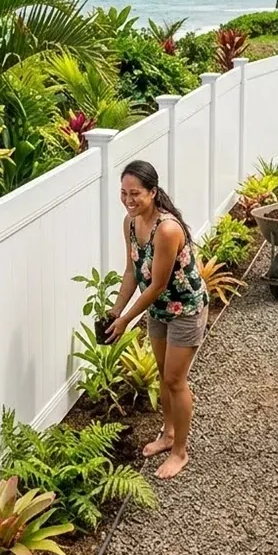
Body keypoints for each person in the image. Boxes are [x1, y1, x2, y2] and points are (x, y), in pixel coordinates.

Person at [106, 160, 209, 479]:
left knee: (175, 380)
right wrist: (115, 310)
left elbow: (158, 284)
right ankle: (167, 434)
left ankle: (180, 451)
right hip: (159, 308)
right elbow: (131, 272)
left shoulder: (167, 229)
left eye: (135, 193)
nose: (128, 199)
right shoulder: (131, 222)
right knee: (164, 376)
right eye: (123, 193)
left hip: (186, 308)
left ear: (153, 192)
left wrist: (127, 321)